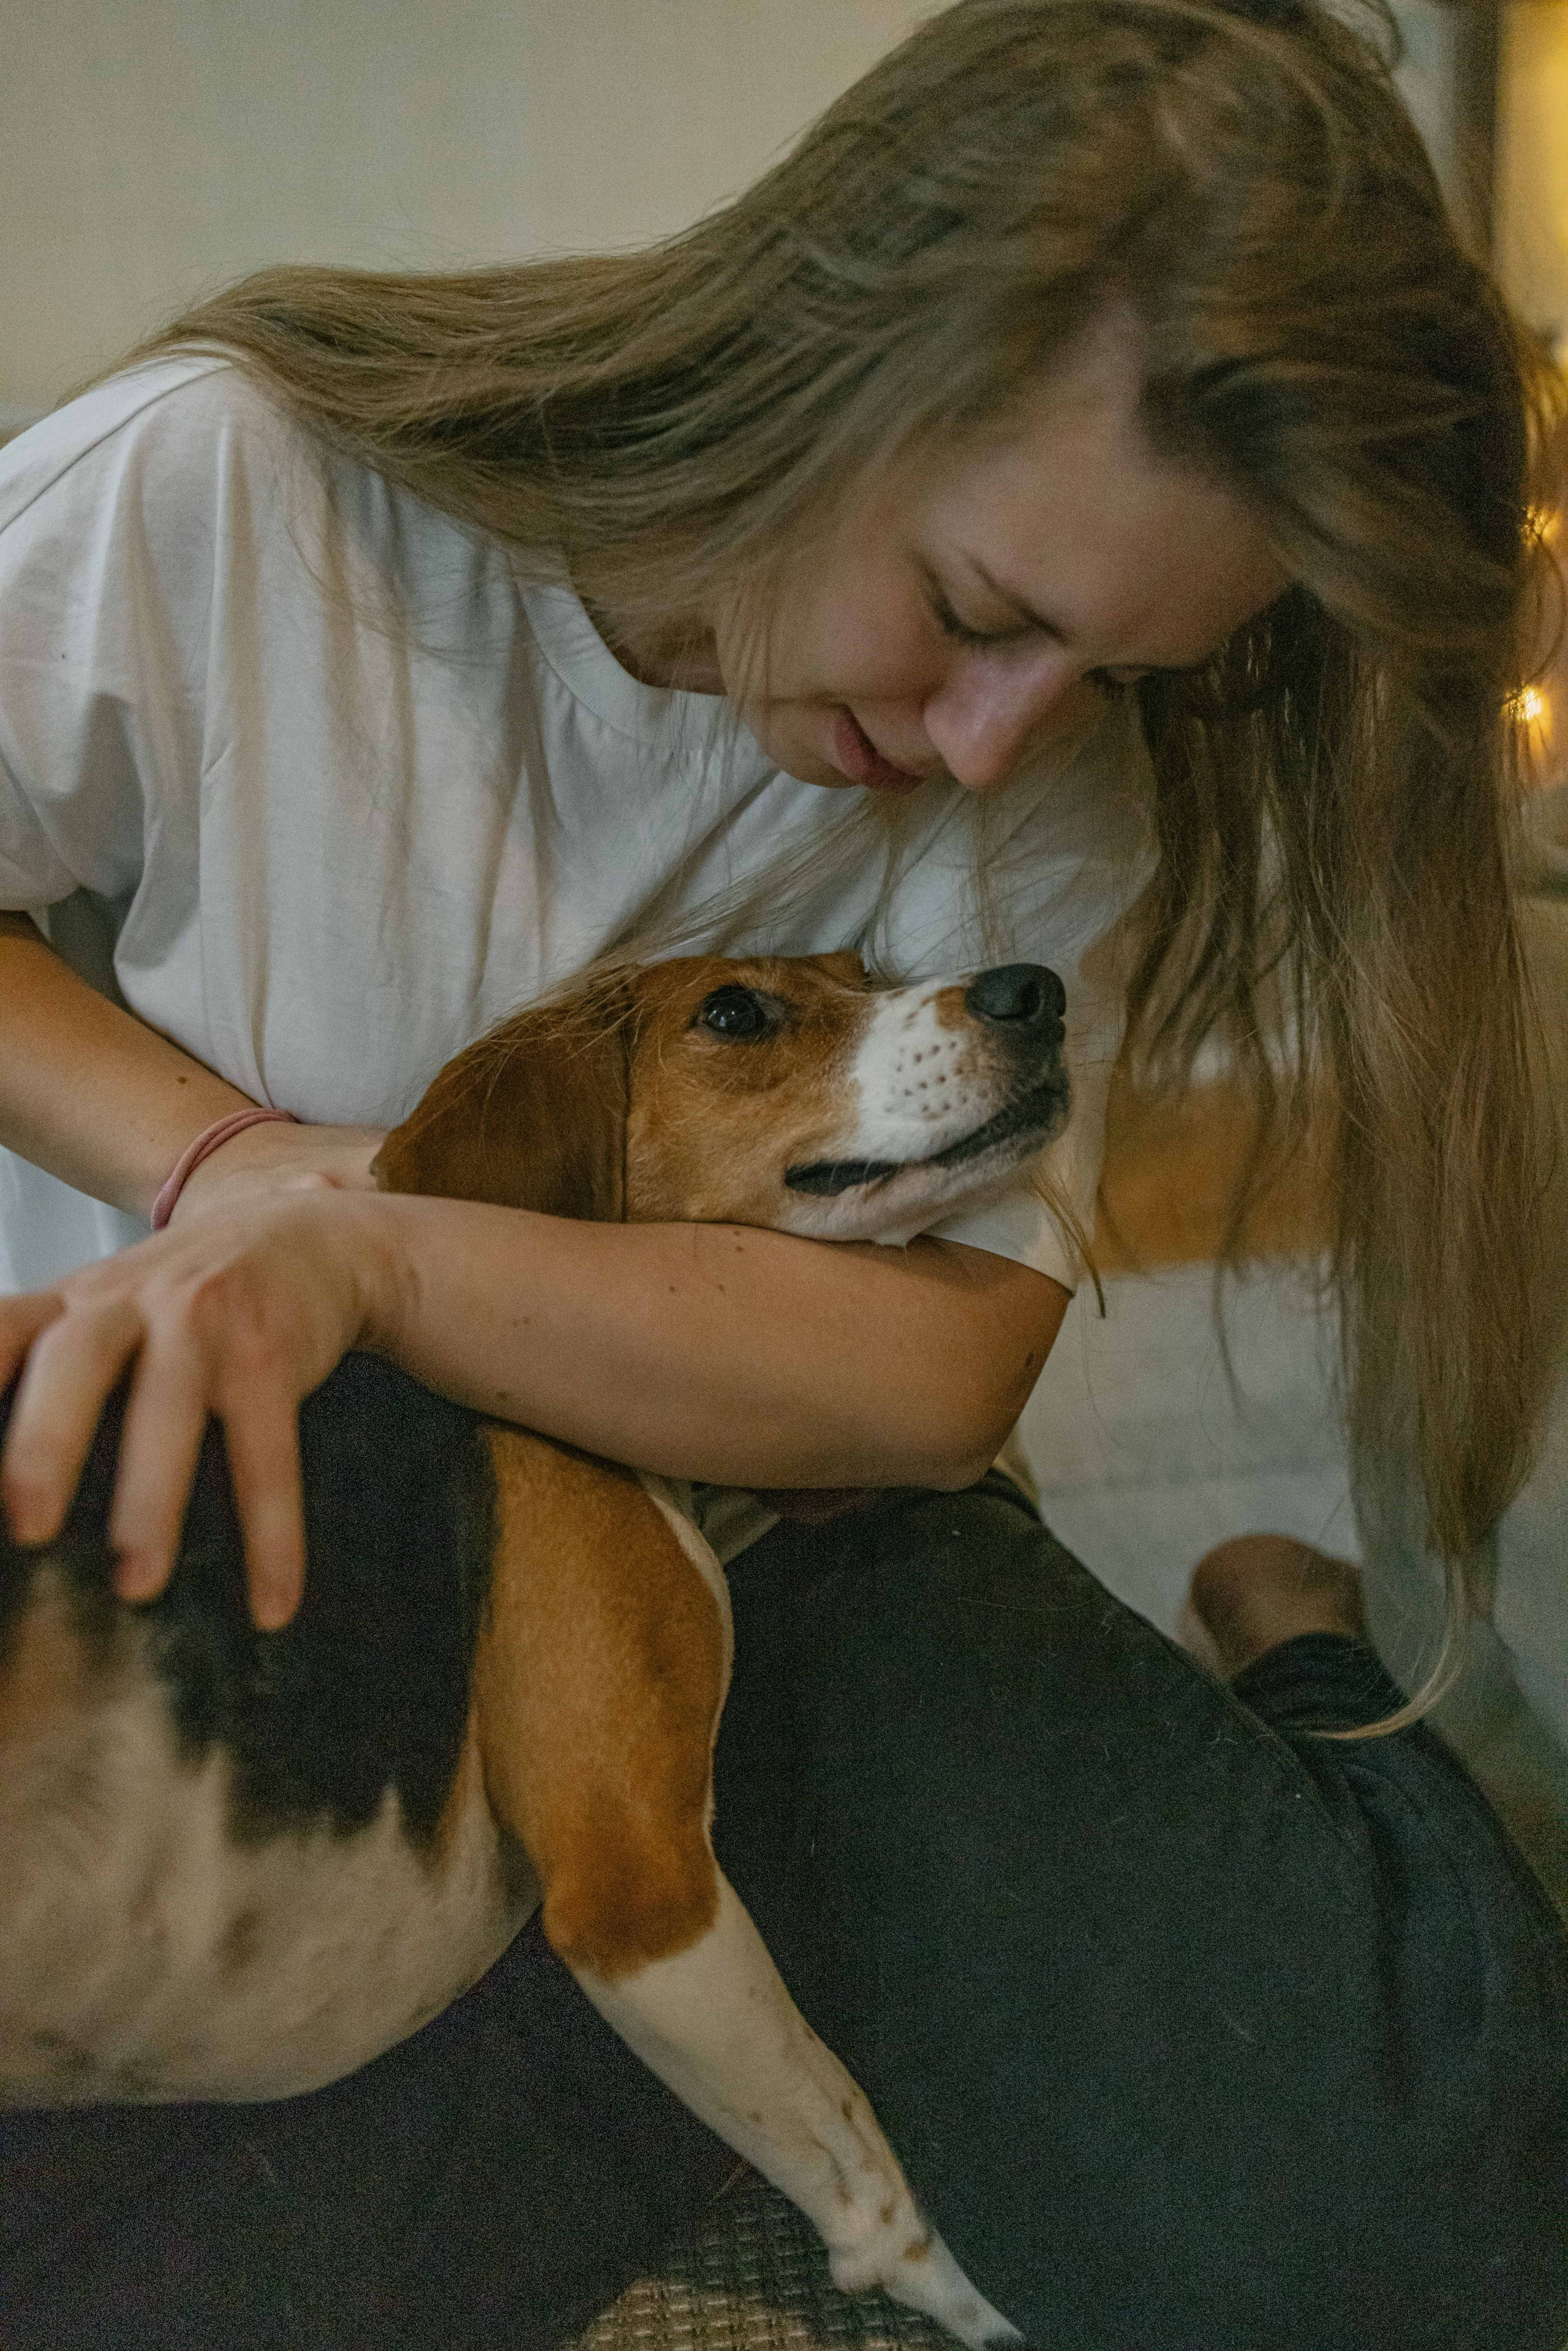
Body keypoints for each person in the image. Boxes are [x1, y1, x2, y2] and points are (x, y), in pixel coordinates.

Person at [0, 1, 1564, 2345]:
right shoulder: (221, 492)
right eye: (976, 617)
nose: (988, 752)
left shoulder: (1044, 770)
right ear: (823, 356)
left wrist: (375, 1258)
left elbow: (933, 1384)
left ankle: (1304, 1639)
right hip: (279, 1582)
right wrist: (218, 1162)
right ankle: (657, 1959)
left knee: (1414, 2245)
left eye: (1102, 676)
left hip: (797, 1526)